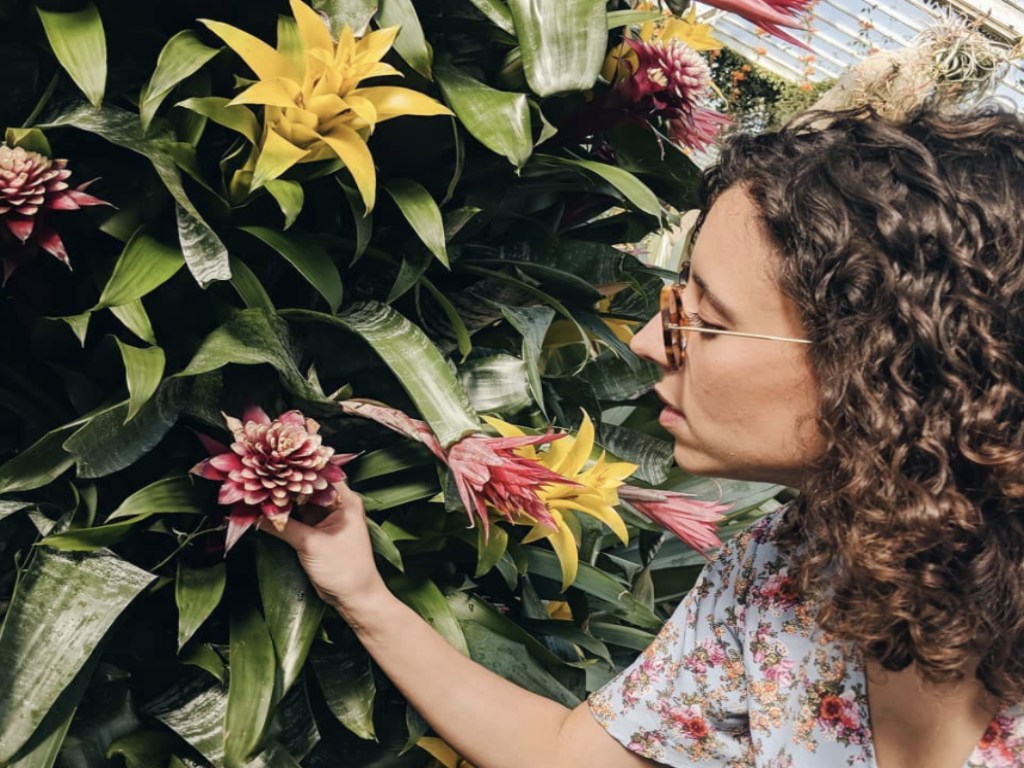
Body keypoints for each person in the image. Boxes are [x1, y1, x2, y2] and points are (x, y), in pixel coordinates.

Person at [266, 105, 1024, 768]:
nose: (648, 342)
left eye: (708, 321)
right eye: (676, 301)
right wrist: (364, 595)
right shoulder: (787, 569)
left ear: (884, 371)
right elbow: (572, 757)